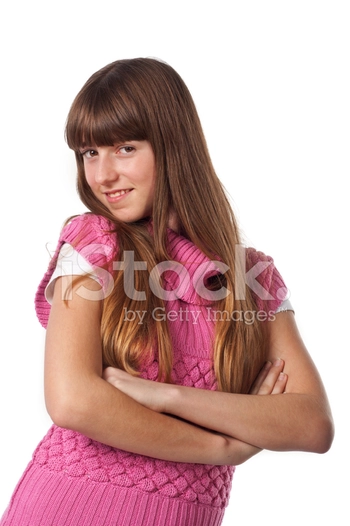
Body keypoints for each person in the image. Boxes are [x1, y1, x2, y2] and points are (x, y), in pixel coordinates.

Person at [0, 57, 334, 526]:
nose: (102, 176)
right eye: (88, 153)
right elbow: (72, 400)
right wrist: (224, 445)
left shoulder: (250, 277)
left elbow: (311, 423)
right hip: (70, 508)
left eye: (124, 148)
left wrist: (166, 398)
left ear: (174, 145)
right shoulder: (93, 243)